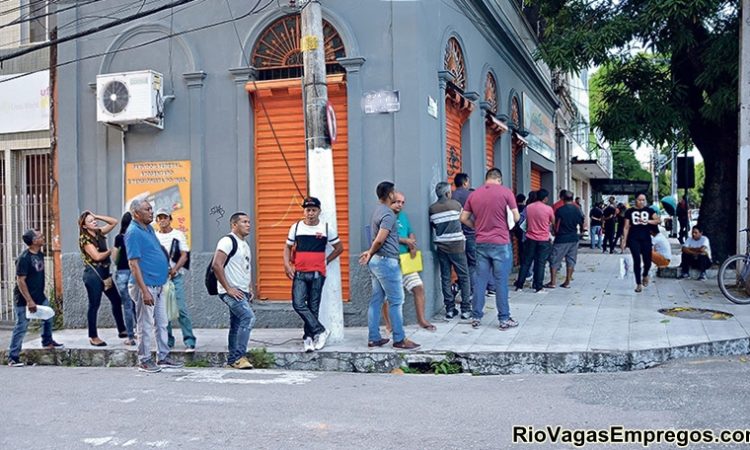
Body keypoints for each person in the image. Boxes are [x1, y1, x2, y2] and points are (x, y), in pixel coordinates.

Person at [360, 181, 420, 350]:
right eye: (394, 192)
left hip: (378, 261)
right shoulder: (388, 214)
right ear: (390, 195)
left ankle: (374, 338)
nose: (395, 195)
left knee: (376, 300)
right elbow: (380, 238)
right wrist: (370, 251)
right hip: (386, 261)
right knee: (396, 301)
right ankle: (399, 339)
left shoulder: (377, 211)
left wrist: (371, 254)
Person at [126, 199, 182, 373]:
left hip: (158, 284)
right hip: (145, 286)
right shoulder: (133, 232)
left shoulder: (148, 228)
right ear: (136, 213)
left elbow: (153, 251)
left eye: (151, 208)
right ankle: (144, 360)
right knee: (145, 324)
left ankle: (163, 356)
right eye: (147, 209)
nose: (152, 212)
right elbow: (133, 264)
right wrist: (144, 291)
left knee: (162, 322)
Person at [460, 168, 520, 330]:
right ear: (499, 179)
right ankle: (504, 318)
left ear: (487, 179)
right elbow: (516, 217)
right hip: (501, 242)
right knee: (501, 281)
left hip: (481, 242)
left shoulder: (474, 194)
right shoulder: (506, 193)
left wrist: (476, 226)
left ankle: (476, 317)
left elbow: (463, 218)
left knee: (480, 280)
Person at [283, 197, 344, 352]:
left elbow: (339, 248)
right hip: (300, 272)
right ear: (304, 211)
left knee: (313, 306)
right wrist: (287, 264)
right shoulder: (296, 227)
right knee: (298, 303)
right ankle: (321, 330)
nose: (310, 213)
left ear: (319, 211)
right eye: (307, 210)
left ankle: (309, 338)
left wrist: (327, 261)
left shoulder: (326, 228)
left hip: (318, 273)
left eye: (313, 210)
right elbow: (288, 247)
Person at [7, 229, 63, 366]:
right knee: (22, 326)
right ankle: (13, 357)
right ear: (33, 241)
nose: (43, 237)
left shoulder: (39, 254)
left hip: (39, 296)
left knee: (49, 316)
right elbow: (21, 280)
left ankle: (47, 341)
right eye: (39, 236)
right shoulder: (24, 258)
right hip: (24, 299)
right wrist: (29, 301)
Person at [381, 192, 436, 331]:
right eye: (397, 202)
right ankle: (390, 325)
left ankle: (422, 320)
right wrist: (406, 240)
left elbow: (410, 231)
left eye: (402, 202)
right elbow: (385, 236)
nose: (400, 205)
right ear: (390, 202)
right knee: (388, 296)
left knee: (418, 287)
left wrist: (412, 244)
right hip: (390, 261)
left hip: (406, 260)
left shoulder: (403, 216)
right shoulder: (385, 216)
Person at [213, 212, 256, 369]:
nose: (248, 225)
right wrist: (228, 288)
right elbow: (216, 265)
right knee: (248, 318)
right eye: (244, 222)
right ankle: (239, 357)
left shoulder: (244, 244)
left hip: (242, 290)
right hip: (230, 291)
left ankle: (232, 360)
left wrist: (249, 287)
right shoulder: (227, 241)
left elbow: (245, 267)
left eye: (249, 222)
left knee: (236, 325)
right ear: (234, 225)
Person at [78, 210, 127, 347]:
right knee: (94, 305)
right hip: (94, 275)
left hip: (105, 273)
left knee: (116, 300)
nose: (94, 222)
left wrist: (96, 215)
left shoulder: (99, 232)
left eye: (94, 220)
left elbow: (114, 222)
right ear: (84, 226)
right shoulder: (85, 239)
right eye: (90, 221)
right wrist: (111, 251)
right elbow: (97, 257)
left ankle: (122, 330)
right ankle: (93, 336)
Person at [154, 208, 196, 352]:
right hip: (160, 279)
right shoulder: (154, 236)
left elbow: (184, 255)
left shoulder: (178, 234)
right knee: (164, 311)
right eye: (159, 218)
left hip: (175, 277)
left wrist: (175, 270)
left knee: (181, 308)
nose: (162, 221)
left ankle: (189, 340)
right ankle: (168, 340)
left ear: (170, 219)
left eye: (164, 217)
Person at [429, 182, 472, 321]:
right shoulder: (456, 205)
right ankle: (465, 309)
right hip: (457, 245)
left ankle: (449, 309)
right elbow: (463, 220)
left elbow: (434, 226)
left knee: (445, 277)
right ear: (448, 193)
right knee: (464, 276)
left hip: (441, 245)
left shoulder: (432, 208)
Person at [514, 189, 554, 293]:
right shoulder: (548, 209)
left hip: (530, 238)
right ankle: (538, 287)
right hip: (543, 239)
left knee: (526, 262)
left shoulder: (528, 207)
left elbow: (523, 220)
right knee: (540, 263)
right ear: (545, 198)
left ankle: (519, 286)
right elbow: (552, 221)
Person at [621, 193, 661, 292]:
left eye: (643, 200)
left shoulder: (649, 210)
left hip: (646, 238)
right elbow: (626, 227)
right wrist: (624, 241)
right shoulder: (629, 211)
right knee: (636, 260)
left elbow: (658, 220)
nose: (642, 202)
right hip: (633, 238)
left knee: (647, 261)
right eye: (640, 200)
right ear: (635, 200)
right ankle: (638, 283)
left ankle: (645, 274)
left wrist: (648, 221)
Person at [547, 191, 584, 288]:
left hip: (562, 238)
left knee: (554, 259)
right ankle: (567, 281)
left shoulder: (560, 210)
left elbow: (556, 225)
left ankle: (553, 282)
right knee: (571, 260)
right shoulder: (577, 209)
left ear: (562, 198)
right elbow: (581, 222)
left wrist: (554, 232)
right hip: (573, 238)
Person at [112, 212, 136, 346]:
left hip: (122, 273)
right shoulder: (135, 237)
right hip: (134, 272)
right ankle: (140, 331)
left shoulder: (119, 238)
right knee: (136, 304)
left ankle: (130, 337)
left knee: (127, 305)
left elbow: (114, 257)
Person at [451, 173, 476, 296]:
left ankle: (461, 285)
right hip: (471, 233)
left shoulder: (450, 196)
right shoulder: (472, 195)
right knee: (472, 263)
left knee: (459, 263)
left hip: (455, 234)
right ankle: (470, 291)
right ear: (465, 182)